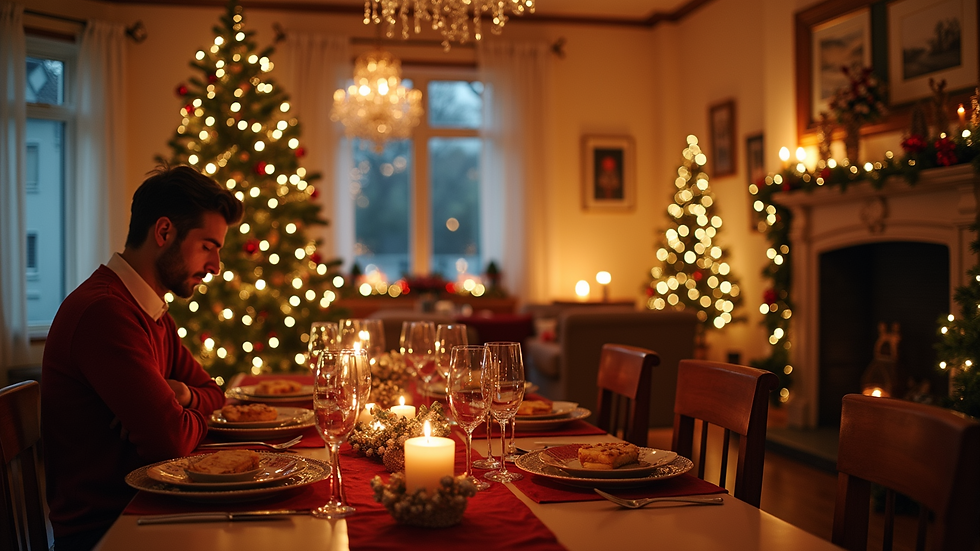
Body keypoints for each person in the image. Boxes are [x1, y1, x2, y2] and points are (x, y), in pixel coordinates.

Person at [41, 165, 244, 551]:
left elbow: (215, 393)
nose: (216, 266)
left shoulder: (151, 312)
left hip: (151, 511)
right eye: (208, 246)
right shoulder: (105, 312)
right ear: (164, 232)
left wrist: (182, 396)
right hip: (108, 532)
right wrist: (175, 416)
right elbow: (171, 442)